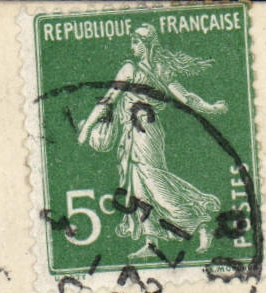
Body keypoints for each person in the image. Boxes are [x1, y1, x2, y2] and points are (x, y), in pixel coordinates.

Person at [77, 24, 228, 256]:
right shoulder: (144, 68)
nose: (132, 47)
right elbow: (110, 99)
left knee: (154, 182)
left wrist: (211, 108)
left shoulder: (143, 69)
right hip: (134, 133)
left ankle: (199, 222)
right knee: (138, 187)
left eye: (136, 42)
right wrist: (210, 108)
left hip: (145, 132)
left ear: (147, 44)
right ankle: (151, 242)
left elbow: (184, 97)